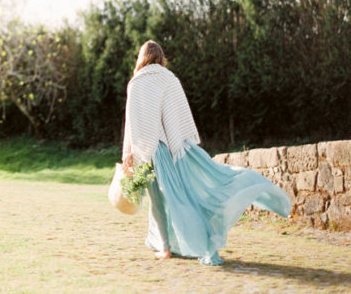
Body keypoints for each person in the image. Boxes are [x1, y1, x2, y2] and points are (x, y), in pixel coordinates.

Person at [122, 40, 291, 266]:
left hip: (147, 152)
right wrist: (180, 149)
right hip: (169, 149)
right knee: (181, 198)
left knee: (158, 203)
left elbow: (131, 125)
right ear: (161, 57)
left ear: (141, 57)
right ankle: (174, 245)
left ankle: (167, 248)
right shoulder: (169, 79)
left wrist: (129, 154)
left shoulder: (135, 83)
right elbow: (175, 118)